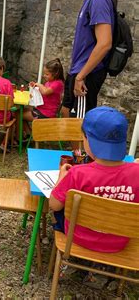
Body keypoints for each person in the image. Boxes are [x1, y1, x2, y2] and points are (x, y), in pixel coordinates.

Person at [50, 106, 139, 252]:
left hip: (78, 237)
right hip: (119, 241)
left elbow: (54, 205)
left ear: (88, 140)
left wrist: (61, 177)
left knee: (60, 210)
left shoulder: (77, 173)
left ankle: (75, 259)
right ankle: (101, 268)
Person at [61, 0, 113, 118]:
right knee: (67, 113)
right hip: (78, 70)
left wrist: (81, 76)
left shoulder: (99, 0)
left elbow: (105, 43)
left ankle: (80, 147)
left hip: (86, 73)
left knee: (79, 124)